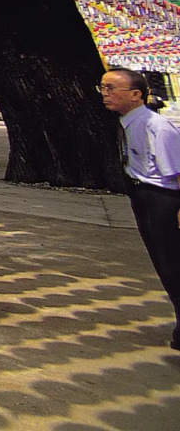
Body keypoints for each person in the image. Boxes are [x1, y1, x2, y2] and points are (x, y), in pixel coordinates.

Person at [100, 65, 180, 351]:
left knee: (173, 262)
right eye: (103, 88)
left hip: (162, 198)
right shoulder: (126, 122)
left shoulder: (157, 127)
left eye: (111, 89)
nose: (104, 94)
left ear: (135, 95)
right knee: (162, 262)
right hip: (141, 195)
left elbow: (176, 173)